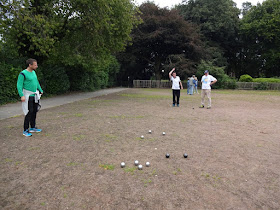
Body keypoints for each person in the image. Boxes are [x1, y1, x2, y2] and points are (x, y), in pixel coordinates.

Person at [17, 58, 44, 137]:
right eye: (35, 65)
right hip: (27, 96)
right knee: (29, 112)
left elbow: (36, 82)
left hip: (35, 95)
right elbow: (19, 85)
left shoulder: (34, 72)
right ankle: (25, 130)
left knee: (34, 111)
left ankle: (33, 127)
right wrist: (21, 95)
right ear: (30, 65)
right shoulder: (23, 73)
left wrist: (40, 89)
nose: (37, 66)